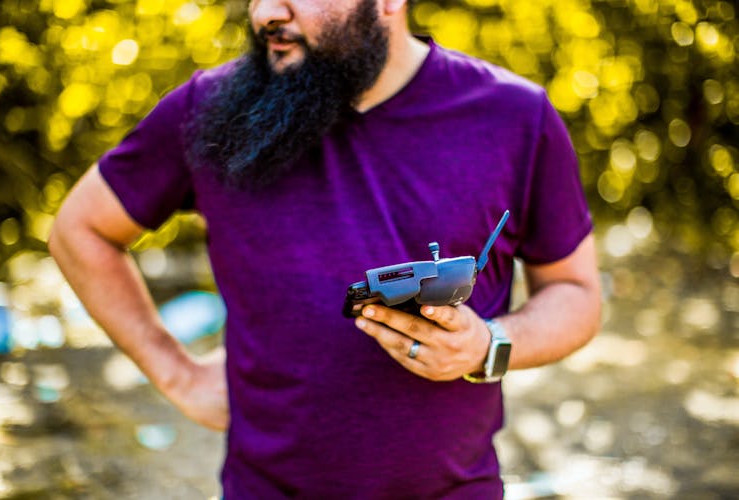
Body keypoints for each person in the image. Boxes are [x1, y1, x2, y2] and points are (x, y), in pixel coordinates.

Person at [49, 0, 601, 497]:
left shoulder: (514, 117)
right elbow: (80, 230)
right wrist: (176, 374)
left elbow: (576, 294)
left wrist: (489, 345)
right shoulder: (210, 107)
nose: (265, 12)